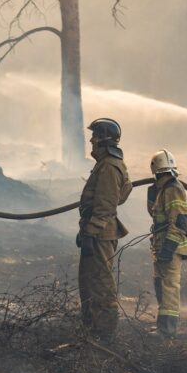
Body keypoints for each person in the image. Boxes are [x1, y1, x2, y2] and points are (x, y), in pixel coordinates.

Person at [77, 118, 133, 340]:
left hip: (100, 234)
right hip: (98, 232)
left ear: (103, 139)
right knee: (90, 281)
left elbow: (106, 205)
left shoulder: (109, 165)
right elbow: (124, 191)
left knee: (100, 283)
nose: (91, 139)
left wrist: (91, 230)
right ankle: (92, 330)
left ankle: (105, 335)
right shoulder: (109, 163)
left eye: (94, 135)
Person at [147, 149, 187, 338]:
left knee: (169, 287)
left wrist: (169, 248)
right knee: (160, 285)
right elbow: (157, 216)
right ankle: (162, 326)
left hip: (171, 247)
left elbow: (180, 221)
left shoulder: (173, 188)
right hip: (161, 246)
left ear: (155, 169)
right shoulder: (162, 189)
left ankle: (168, 330)